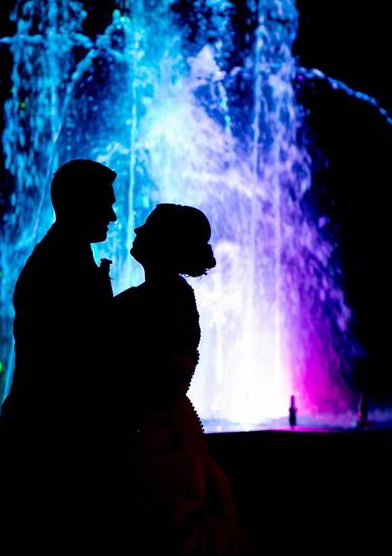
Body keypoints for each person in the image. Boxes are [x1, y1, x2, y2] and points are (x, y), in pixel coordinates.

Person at [0, 158, 122, 551]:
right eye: (106, 204)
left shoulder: (65, 257)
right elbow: (76, 357)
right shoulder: (58, 266)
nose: (115, 216)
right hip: (50, 444)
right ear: (80, 204)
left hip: (47, 435)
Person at [113, 204, 242, 555]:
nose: (137, 231)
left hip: (155, 438)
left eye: (148, 228)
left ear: (165, 244)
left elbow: (152, 373)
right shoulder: (163, 297)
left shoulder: (157, 301)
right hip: (164, 429)